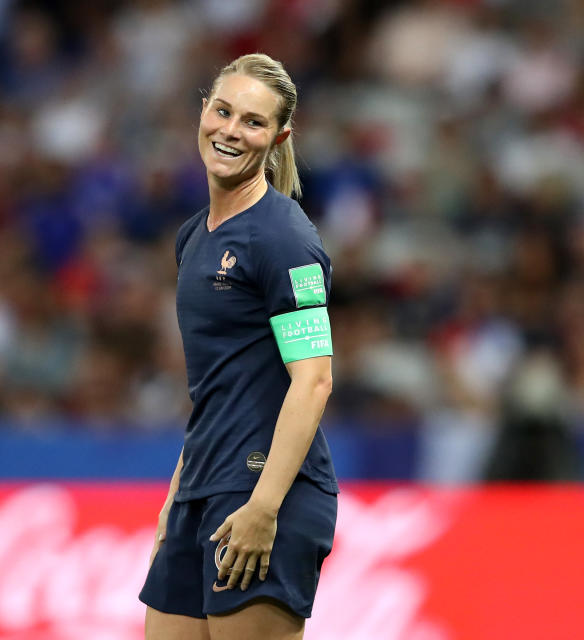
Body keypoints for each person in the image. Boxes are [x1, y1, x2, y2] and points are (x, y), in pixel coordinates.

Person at [139, 53, 338, 640]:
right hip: (201, 488)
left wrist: (264, 507)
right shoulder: (194, 235)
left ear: (279, 137)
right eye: (222, 111)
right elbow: (217, 386)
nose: (229, 130)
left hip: (261, 491)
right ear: (202, 110)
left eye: (252, 122)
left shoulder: (284, 237)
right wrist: (177, 496)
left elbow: (314, 379)